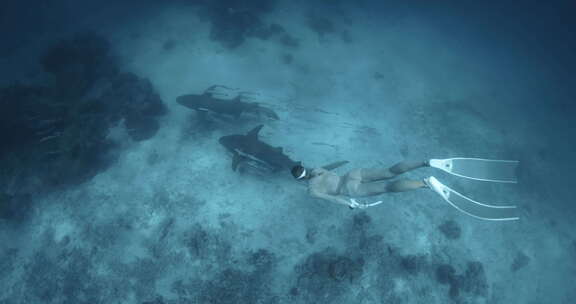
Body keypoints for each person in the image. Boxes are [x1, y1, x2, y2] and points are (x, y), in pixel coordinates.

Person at [291, 161, 430, 209]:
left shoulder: (312, 190)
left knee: (387, 186)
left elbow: (333, 198)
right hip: (352, 174)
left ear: (298, 180)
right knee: (389, 171)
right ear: (304, 167)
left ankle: (424, 183)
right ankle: (426, 162)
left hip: (350, 189)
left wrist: (350, 204)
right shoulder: (317, 169)